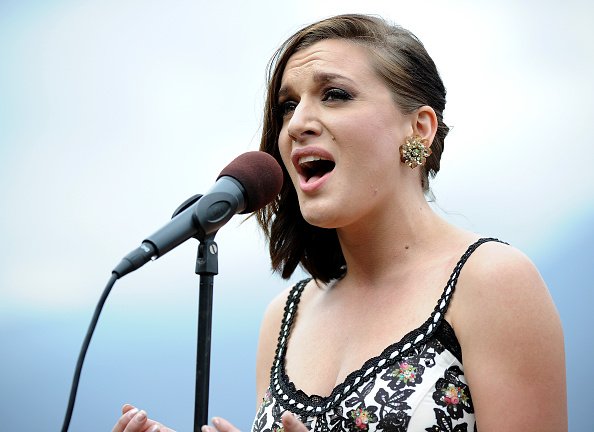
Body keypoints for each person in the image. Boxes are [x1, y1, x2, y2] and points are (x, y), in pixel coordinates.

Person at [112, 14, 567, 432]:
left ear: (420, 130)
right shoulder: (284, 319)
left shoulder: (492, 282)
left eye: (335, 95)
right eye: (288, 106)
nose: (297, 125)